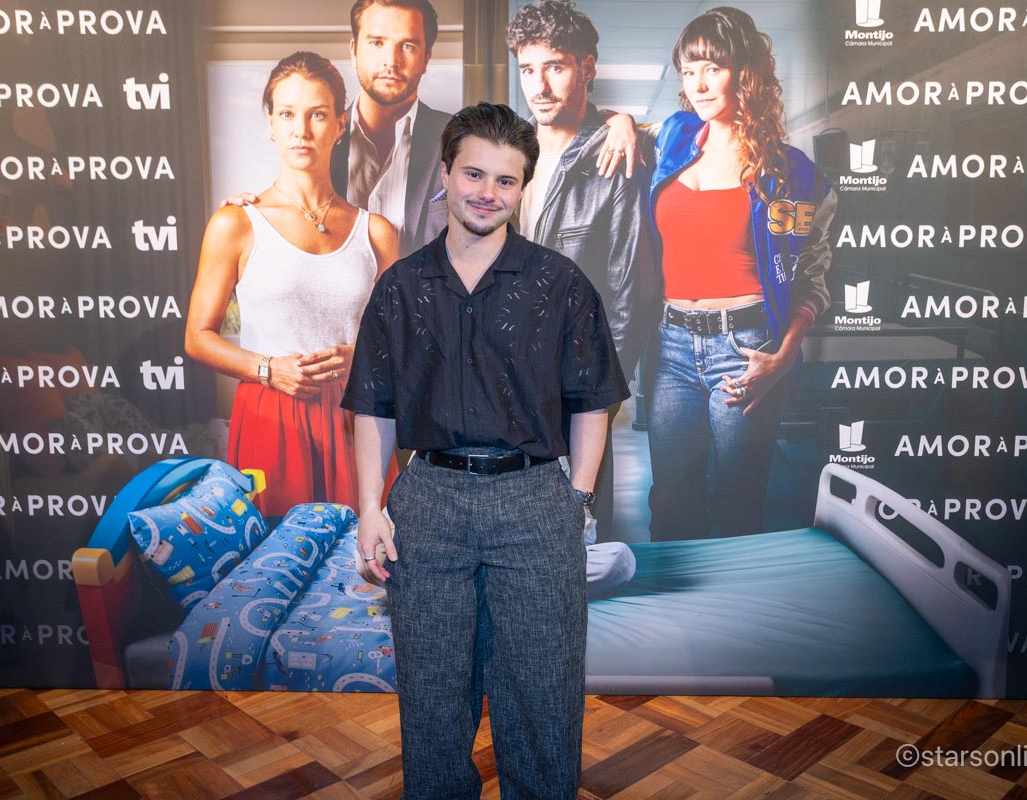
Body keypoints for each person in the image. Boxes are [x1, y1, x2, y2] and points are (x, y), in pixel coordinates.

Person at [342, 102, 629, 798]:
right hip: (429, 500)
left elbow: (593, 399)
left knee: (542, 688)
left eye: (506, 180)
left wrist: (577, 498)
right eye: (474, 173)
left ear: (522, 188)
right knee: (432, 691)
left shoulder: (559, 284)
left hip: (534, 498)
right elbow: (374, 407)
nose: (487, 193)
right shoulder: (400, 287)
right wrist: (370, 510)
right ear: (444, 172)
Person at [647, 7, 836, 540]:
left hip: (745, 348)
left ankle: (734, 598)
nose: (698, 84)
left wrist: (784, 356)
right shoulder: (673, 138)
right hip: (671, 348)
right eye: (688, 71)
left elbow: (813, 277)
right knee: (670, 502)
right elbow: (622, 132)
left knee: (738, 504)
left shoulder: (791, 173)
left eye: (712, 68)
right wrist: (617, 123)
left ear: (744, 73)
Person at [186, 52, 398, 517]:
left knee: (368, 553)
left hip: (355, 417)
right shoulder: (235, 223)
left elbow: (403, 343)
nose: (301, 130)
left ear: (340, 125)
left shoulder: (377, 233)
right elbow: (197, 337)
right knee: (271, 554)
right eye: (287, 114)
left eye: (317, 114)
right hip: (270, 415)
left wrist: (362, 359)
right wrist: (268, 369)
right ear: (271, 124)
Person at [506, 0, 655, 542]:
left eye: (556, 67)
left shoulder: (614, 159)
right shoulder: (508, 150)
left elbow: (628, 293)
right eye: (528, 69)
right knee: (513, 535)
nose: (540, 86)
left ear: (587, 68)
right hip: (507, 374)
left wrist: (600, 397)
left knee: (581, 537)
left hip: (576, 383)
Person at [334, 0, 453, 257]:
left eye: (408, 46)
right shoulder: (320, 139)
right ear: (354, 51)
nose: (391, 61)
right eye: (377, 43)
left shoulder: (462, 140)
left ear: (426, 58)